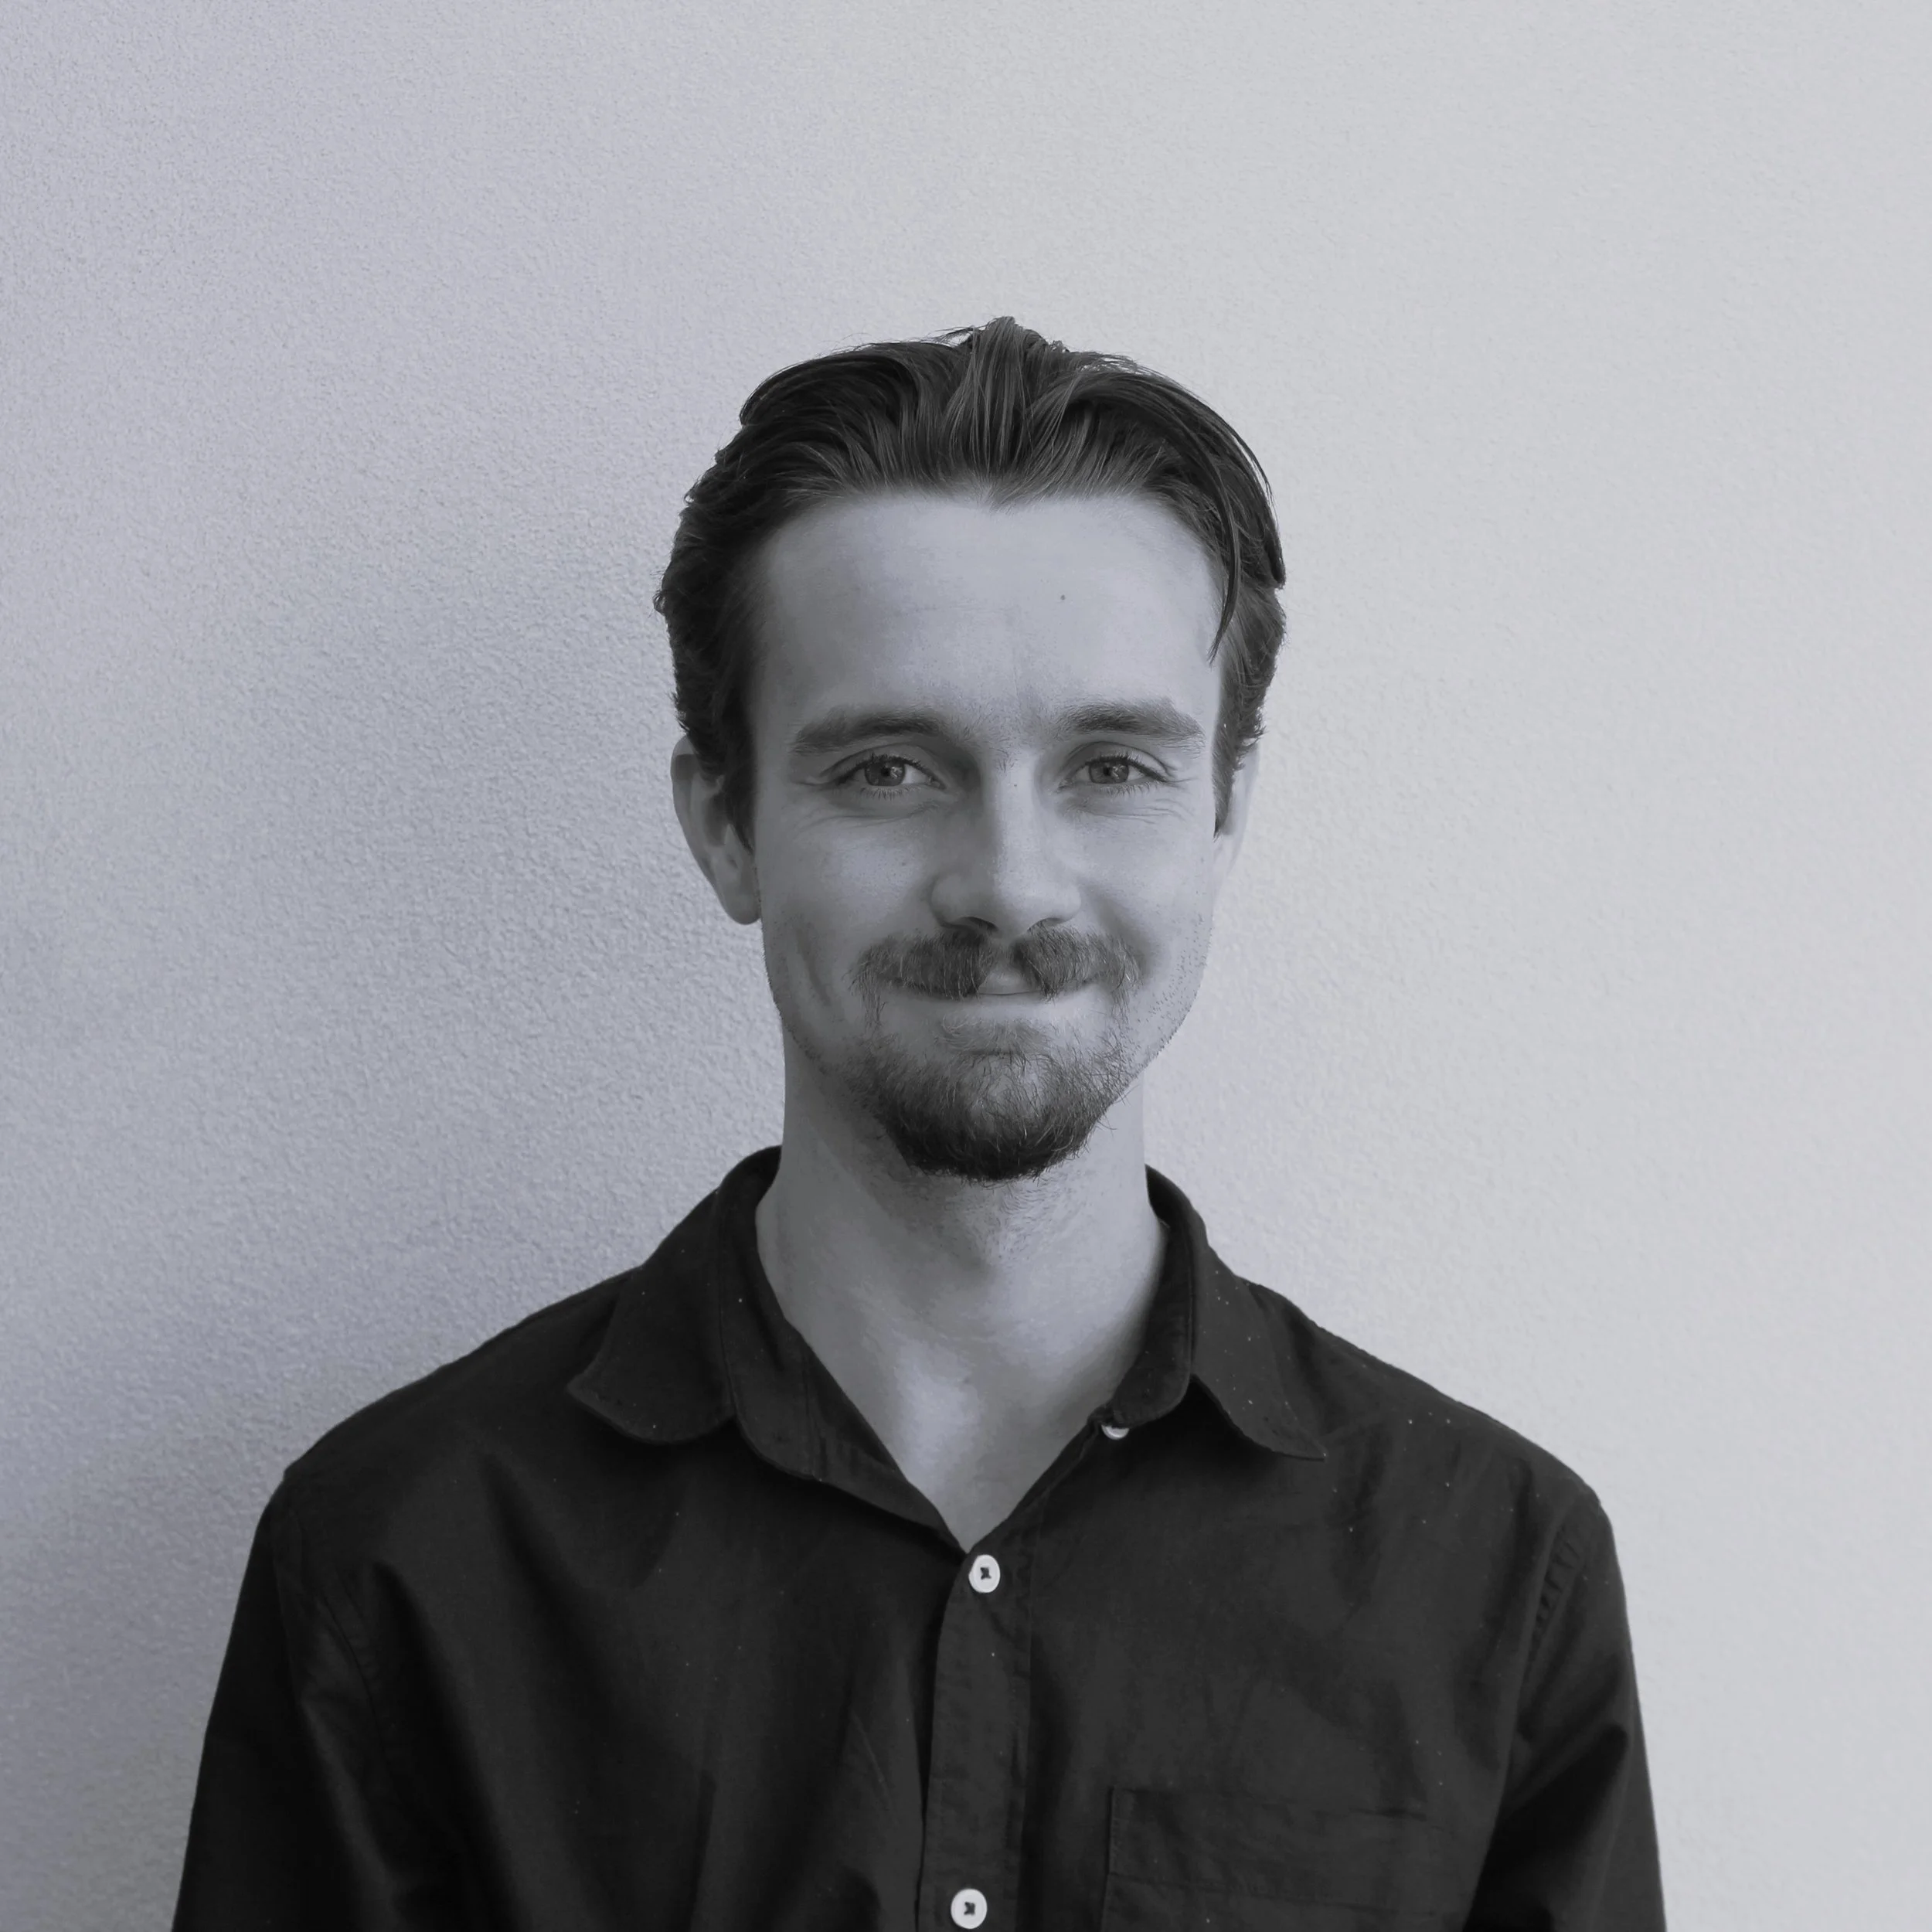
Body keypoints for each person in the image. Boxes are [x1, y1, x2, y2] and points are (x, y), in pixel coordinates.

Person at [172, 319, 1665, 1930]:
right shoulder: (401, 1557)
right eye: (889, 769)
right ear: (724, 822)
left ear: (1224, 810)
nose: (1008, 883)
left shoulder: (1497, 1577)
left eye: (1112, 765)